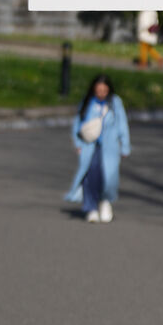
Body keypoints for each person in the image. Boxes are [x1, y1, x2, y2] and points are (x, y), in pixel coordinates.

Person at [65, 74, 131, 223]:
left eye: (104, 91)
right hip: (90, 146)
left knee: (109, 177)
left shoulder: (115, 103)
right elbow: (78, 124)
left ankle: (105, 202)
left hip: (110, 147)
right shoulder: (88, 102)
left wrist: (125, 146)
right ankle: (91, 207)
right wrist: (77, 143)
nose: (101, 93)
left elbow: (122, 124)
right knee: (90, 177)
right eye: (98, 90)